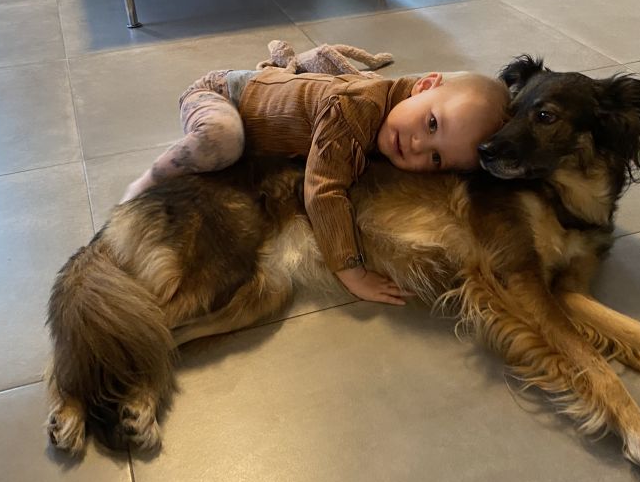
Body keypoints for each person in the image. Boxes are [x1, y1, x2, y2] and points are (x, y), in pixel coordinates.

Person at [121, 66, 508, 305]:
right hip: (224, 94)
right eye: (432, 124)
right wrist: (352, 273)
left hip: (268, 102)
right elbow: (322, 192)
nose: (419, 145)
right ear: (424, 85)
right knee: (223, 142)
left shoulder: (397, 113)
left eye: (436, 158)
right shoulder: (352, 113)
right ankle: (147, 183)